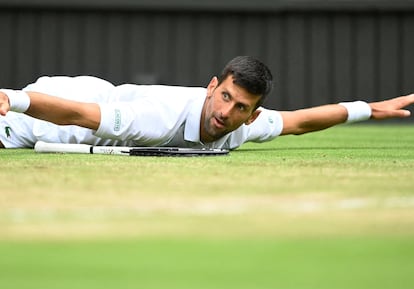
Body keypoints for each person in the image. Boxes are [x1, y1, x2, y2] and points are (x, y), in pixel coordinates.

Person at [0, 56, 413, 150]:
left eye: (240, 108)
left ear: (254, 113)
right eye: (225, 97)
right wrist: (14, 100)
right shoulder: (158, 117)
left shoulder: (248, 123)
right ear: (212, 86)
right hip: (47, 114)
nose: (226, 112)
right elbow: (77, 113)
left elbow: (299, 121)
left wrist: (370, 109)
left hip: (85, 103)